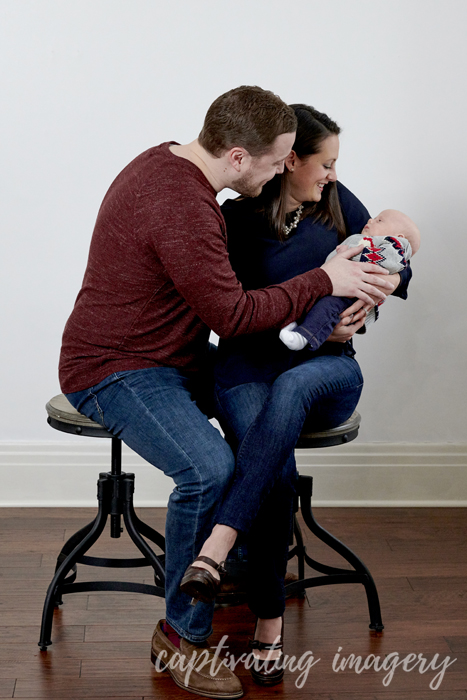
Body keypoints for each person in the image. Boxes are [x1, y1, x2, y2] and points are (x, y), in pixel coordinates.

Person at [58, 88, 394, 699]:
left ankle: (241, 568)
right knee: (209, 470)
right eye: (274, 162)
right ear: (239, 157)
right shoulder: (183, 206)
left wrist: (355, 304)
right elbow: (234, 315)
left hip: (175, 357)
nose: (279, 174)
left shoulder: (169, 161)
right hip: (117, 367)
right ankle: (181, 637)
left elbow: (386, 248)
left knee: (260, 422)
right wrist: (325, 280)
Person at [179, 104, 413, 687]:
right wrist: (306, 303)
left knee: (293, 385)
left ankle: (217, 545)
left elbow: (397, 261)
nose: (333, 174)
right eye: (324, 163)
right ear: (289, 162)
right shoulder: (232, 220)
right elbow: (225, 314)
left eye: (337, 164)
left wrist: (366, 298)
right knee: (275, 468)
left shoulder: (339, 202)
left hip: (327, 370)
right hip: (244, 372)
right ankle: (267, 623)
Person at [280, 209, 421, 351]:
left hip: (352, 294)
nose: (370, 220)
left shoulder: (395, 247)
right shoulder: (367, 239)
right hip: (336, 284)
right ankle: (295, 323)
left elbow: (392, 261)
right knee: (309, 294)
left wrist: (350, 252)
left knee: (327, 308)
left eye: (379, 220)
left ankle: (303, 337)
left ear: (399, 237)